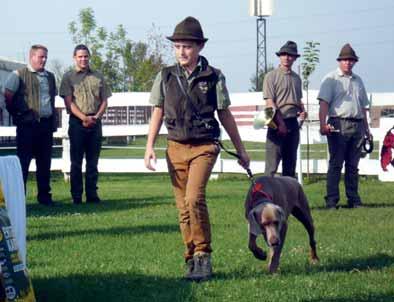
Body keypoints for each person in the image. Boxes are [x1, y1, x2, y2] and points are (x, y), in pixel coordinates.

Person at [144, 16, 250, 282]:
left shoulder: (213, 77)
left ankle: (203, 256)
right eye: (178, 46)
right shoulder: (165, 75)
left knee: (194, 199)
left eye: (188, 46)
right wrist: (149, 147)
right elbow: (157, 111)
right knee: (182, 208)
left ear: (200, 47)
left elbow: (225, 114)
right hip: (175, 147)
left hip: (204, 146)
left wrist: (241, 150)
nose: (182, 51)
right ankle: (190, 257)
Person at [318, 43, 370, 209]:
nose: (348, 62)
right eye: (345, 60)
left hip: (357, 124)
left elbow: (363, 106)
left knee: (353, 165)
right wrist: (322, 124)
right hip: (338, 123)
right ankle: (332, 200)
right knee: (336, 164)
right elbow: (324, 104)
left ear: (354, 62)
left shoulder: (358, 80)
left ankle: (353, 199)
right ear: (339, 61)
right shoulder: (331, 79)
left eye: (351, 60)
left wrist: (367, 129)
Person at [3, 44, 57, 206]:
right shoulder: (18, 75)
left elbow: (51, 99)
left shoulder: (50, 76)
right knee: (23, 164)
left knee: (45, 163)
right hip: (27, 127)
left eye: (46, 56)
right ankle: (20, 199)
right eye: (41, 56)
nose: (44, 60)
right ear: (31, 57)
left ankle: (45, 197)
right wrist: (20, 115)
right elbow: (8, 97)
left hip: (45, 126)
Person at [59, 44, 111, 204]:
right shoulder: (68, 77)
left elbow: (104, 100)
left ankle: (92, 195)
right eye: (80, 56)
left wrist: (95, 117)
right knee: (76, 162)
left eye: (86, 56)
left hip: (95, 121)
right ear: (74, 58)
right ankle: (76, 196)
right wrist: (83, 118)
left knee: (93, 162)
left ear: (89, 57)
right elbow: (69, 103)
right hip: (77, 123)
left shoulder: (99, 76)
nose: (83, 59)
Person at [263, 41, 307, 178]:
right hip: (276, 123)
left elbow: (298, 100)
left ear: (295, 58)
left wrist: (302, 110)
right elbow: (269, 102)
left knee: (290, 166)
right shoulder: (271, 76)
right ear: (280, 56)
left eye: (290, 55)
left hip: (292, 123)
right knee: (271, 166)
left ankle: (288, 198)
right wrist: (280, 123)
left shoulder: (297, 79)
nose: (287, 58)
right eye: (284, 55)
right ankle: (265, 197)